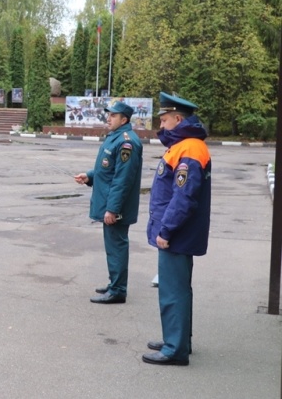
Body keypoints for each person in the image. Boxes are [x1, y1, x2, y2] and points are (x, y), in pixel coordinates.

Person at [142, 92, 211, 367]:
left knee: (173, 291)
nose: (161, 123)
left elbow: (183, 197)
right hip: (179, 232)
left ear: (178, 118)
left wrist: (166, 230)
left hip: (177, 234)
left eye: (165, 118)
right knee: (178, 289)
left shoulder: (189, 148)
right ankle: (179, 339)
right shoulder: (183, 145)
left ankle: (175, 348)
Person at [73, 101, 143, 305]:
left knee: (117, 246)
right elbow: (107, 170)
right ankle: (115, 283)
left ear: (124, 119)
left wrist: (112, 209)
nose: (108, 118)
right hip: (109, 203)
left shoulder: (126, 142)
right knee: (113, 246)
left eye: (113, 116)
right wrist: (89, 176)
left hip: (116, 208)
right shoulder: (115, 138)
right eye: (109, 115)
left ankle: (118, 290)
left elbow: (122, 179)